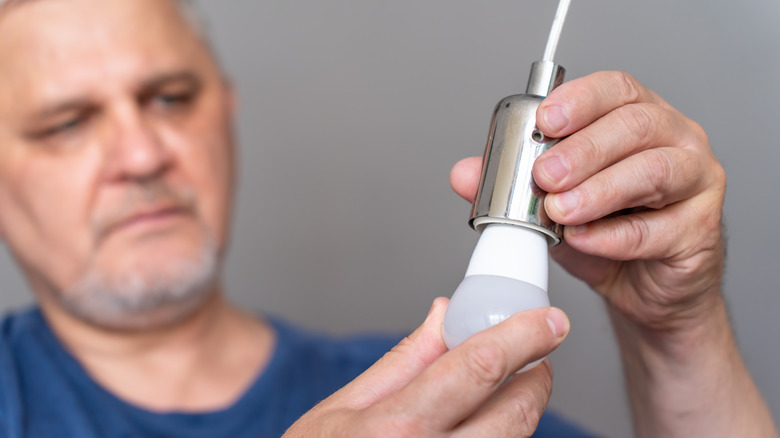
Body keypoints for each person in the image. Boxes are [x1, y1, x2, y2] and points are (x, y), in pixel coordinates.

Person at [0, 0, 775, 437]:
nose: (141, 153)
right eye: (66, 122)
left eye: (170, 98)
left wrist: (679, 334)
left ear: (226, 112)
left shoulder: (441, 400)